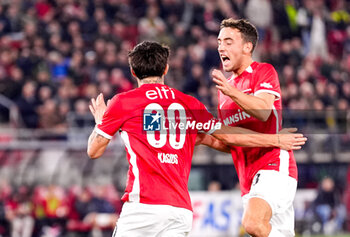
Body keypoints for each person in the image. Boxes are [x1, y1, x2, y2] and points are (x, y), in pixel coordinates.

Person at [87, 41, 306, 236]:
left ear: (133, 72)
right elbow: (226, 138)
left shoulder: (123, 102)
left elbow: (94, 151)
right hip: (179, 210)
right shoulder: (189, 104)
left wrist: (100, 121)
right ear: (166, 69)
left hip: (142, 207)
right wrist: (273, 140)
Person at [212, 18, 299, 236]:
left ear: (247, 46)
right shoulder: (225, 89)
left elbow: (263, 111)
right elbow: (231, 139)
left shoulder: (263, 72)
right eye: (219, 41)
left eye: (228, 41)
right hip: (246, 177)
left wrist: (232, 93)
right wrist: (206, 138)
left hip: (273, 164)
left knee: (251, 223)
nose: (221, 46)